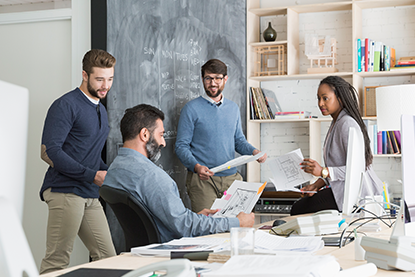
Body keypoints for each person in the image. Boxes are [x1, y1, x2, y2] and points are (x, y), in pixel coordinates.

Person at [102, 104, 255, 243]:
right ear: (145, 134)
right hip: (170, 250)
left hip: (142, 250)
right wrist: (236, 222)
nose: (163, 143)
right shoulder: (152, 177)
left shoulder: (114, 170)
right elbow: (185, 227)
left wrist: (194, 217)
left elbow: (165, 219)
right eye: (161, 135)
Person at [39, 49, 117, 274]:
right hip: (65, 191)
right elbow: (49, 151)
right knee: (57, 260)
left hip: (89, 193)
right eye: (99, 79)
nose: (105, 85)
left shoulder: (100, 108)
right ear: (85, 75)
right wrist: (92, 175)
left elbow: (90, 154)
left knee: (108, 259)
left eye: (110, 79)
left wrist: (109, 172)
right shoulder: (66, 105)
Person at [175, 59, 267, 212]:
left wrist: (254, 152)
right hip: (203, 181)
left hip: (232, 180)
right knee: (206, 228)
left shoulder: (233, 108)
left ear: (225, 79)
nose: (213, 83)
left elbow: (238, 141)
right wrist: (196, 167)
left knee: (236, 225)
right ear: (203, 79)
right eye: (208, 78)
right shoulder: (190, 109)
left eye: (217, 78)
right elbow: (180, 146)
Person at [290, 76, 383, 215]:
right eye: (318, 98)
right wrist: (318, 184)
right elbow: (340, 166)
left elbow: (358, 169)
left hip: (355, 195)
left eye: (325, 98)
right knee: (299, 208)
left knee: (298, 209)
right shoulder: (337, 122)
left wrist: (323, 171)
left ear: (339, 98)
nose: (320, 103)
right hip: (342, 190)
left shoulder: (346, 123)